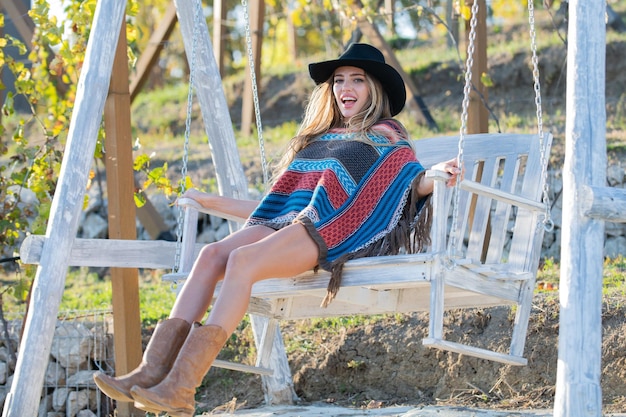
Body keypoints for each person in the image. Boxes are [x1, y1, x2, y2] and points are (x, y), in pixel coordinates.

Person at [93, 43, 460, 417]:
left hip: (329, 232)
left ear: (375, 89)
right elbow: (277, 207)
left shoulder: (386, 134)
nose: (345, 88)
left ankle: (182, 387)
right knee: (211, 255)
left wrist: (433, 176)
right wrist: (212, 201)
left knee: (242, 261)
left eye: (357, 80)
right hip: (287, 227)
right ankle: (151, 371)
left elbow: (408, 183)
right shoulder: (320, 139)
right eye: (339, 80)